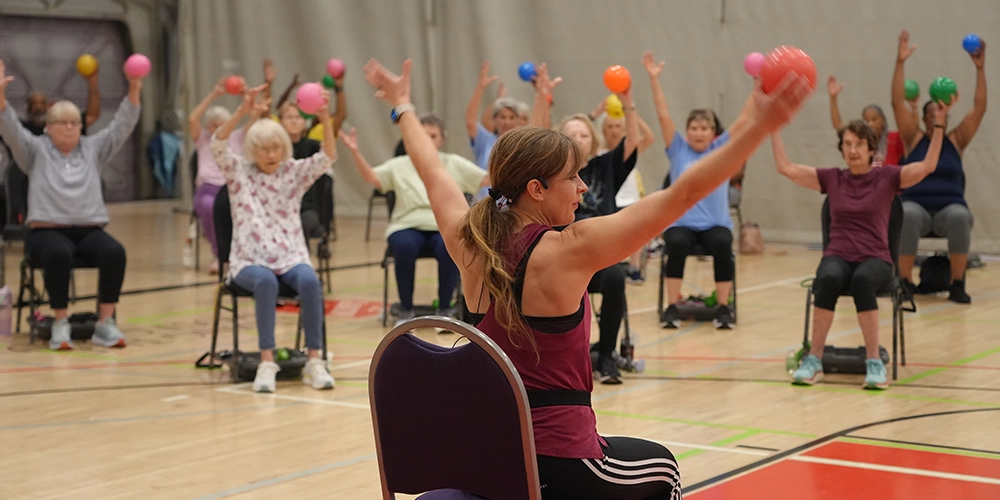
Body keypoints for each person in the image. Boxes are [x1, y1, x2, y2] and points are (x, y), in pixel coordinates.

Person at [361, 57, 811, 499]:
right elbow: (685, 193)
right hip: (560, 464)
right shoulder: (566, 251)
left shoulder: (468, 239)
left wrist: (403, 105)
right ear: (536, 190)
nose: (581, 187)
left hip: (485, 458)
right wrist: (760, 127)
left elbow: (433, 169)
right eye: (572, 177)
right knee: (666, 470)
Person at [773, 98, 950, 390]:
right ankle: (814, 360)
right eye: (847, 144)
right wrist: (773, 127)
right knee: (827, 277)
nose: (853, 150)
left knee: (863, 281)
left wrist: (940, 125)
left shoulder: (888, 177)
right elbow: (786, 167)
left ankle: (874, 362)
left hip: (877, 259)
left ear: (871, 149)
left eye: (858, 145)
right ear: (841, 149)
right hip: (838, 255)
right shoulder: (833, 178)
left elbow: (929, 166)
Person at [0, 59, 142, 351]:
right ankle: (60, 323)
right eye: (61, 123)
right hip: (46, 232)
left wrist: (135, 86)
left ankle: (105, 324)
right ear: (48, 128)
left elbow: (122, 126)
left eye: (74, 122)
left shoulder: (92, 149)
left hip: (88, 230)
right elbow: (11, 129)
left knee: (115, 252)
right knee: (58, 254)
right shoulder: (35, 151)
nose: (69, 127)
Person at [211, 85, 336, 394]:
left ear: (284, 149)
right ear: (252, 150)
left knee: (309, 281)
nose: (271, 155)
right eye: (264, 149)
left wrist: (324, 118)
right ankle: (267, 362)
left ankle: (315, 360)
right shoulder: (239, 173)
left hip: (290, 256)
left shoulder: (293, 173)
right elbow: (218, 143)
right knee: (265, 281)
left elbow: (328, 156)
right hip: (248, 262)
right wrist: (242, 112)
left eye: (276, 148)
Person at [538, 68, 639, 385]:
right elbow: (535, 131)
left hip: (597, 255)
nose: (578, 139)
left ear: (592, 140)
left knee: (615, 277)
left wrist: (628, 102)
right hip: (559, 256)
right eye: (571, 134)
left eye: (583, 134)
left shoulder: (605, 165)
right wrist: (542, 97)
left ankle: (606, 354)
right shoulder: (547, 171)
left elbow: (633, 140)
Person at [339, 114, 488, 327]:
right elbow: (371, 177)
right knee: (404, 245)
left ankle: (445, 309)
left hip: (441, 225)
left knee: (452, 245)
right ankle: (405, 310)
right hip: (406, 224)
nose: (427, 140)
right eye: (423, 135)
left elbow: (485, 178)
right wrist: (354, 151)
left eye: (433, 135)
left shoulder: (452, 163)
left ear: (441, 139)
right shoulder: (399, 164)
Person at [646, 51, 750, 330]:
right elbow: (663, 113)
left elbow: (744, 120)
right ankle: (671, 306)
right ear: (687, 131)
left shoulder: (720, 150)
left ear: (714, 132)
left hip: (716, 224)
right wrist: (654, 79)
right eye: (694, 127)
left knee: (722, 245)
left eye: (705, 128)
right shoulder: (678, 149)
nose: (699, 132)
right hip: (681, 224)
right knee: (676, 244)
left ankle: (724, 308)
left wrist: (759, 84)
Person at [892, 30, 986, 303]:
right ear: (922, 118)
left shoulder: (956, 140)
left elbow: (979, 109)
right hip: (917, 207)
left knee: (960, 217)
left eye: (941, 111)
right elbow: (897, 102)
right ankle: (904, 282)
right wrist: (900, 63)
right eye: (931, 112)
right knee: (906, 214)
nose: (937, 114)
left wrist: (980, 69)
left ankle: (957, 284)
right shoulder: (914, 139)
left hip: (948, 209)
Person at [589, 96, 658, 283]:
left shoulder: (629, 149)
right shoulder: (598, 152)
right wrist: (594, 115)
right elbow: (584, 135)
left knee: (640, 227)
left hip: (630, 200)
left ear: (624, 129)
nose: (613, 131)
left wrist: (632, 116)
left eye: (617, 126)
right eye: (609, 127)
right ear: (603, 130)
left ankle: (634, 268)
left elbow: (650, 138)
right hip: (608, 202)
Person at [465, 60, 529, 198]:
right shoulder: (486, 141)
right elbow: (470, 121)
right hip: (486, 205)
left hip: (514, 208)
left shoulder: (524, 145)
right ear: (494, 120)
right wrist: (480, 88)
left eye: (512, 117)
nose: (507, 121)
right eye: (502, 117)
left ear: (520, 121)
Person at [826, 74, 912, 167]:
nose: (870, 124)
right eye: (866, 121)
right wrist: (833, 98)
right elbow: (838, 125)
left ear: (883, 121)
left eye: (874, 119)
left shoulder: (895, 138)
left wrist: (913, 107)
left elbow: (908, 128)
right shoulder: (860, 140)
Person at [277, 101, 327, 240]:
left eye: (298, 117)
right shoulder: (274, 149)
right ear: (280, 121)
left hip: (307, 208)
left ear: (305, 122)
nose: (293, 121)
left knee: (301, 223)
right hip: (278, 206)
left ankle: (301, 260)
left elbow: (328, 155)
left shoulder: (314, 147)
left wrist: (325, 121)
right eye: (289, 117)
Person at [22, 64, 101, 136]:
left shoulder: (64, 126)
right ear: (27, 109)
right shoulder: (22, 130)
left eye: (43, 103)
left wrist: (92, 84)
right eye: (33, 104)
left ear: (49, 107)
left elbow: (92, 115)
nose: (39, 107)